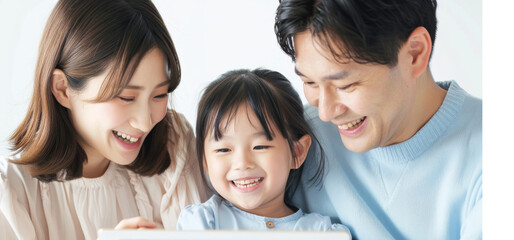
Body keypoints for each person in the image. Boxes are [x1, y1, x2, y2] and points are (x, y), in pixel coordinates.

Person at [0, 0, 208, 239]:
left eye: (159, 95)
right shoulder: (12, 195)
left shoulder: (173, 146)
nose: (144, 122)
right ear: (63, 89)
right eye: (126, 97)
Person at [274, 0, 481, 239]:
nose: (326, 113)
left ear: (414, 53)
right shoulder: (296, 140)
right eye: (310, 83)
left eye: (345, 85)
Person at [176, 69, 349, 235]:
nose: (242, 163)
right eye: (223, 149)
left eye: (260, 147)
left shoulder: (320, 232)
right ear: (205, 161)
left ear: (297, 152)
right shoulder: (202, 224)